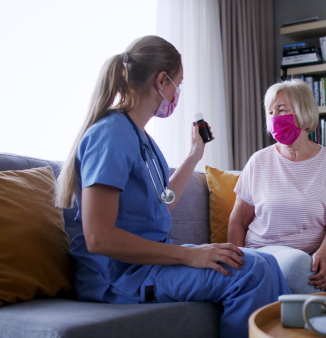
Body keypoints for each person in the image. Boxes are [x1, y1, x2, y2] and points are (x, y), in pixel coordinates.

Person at [55, 35, 290, 338]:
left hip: (147, 264)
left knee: (266, 261)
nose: (178, 93)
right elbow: (99, 239)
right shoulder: (110, 136)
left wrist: (194, 154)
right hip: (118, 276)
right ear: (161, 80)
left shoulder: (141, 138)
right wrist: (190, 255)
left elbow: (162, 201)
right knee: (250, 272)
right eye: (178, 84)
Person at [228, 79, 326, 294]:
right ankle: (316, 325)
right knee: (298, 265)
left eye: (281, 109)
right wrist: (238, 260)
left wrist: (322, 253)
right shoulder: (259, 161)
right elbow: (238, 219)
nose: (274, 117)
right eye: (270, 112)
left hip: (320, 246)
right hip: (268, 248)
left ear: (303, 111)